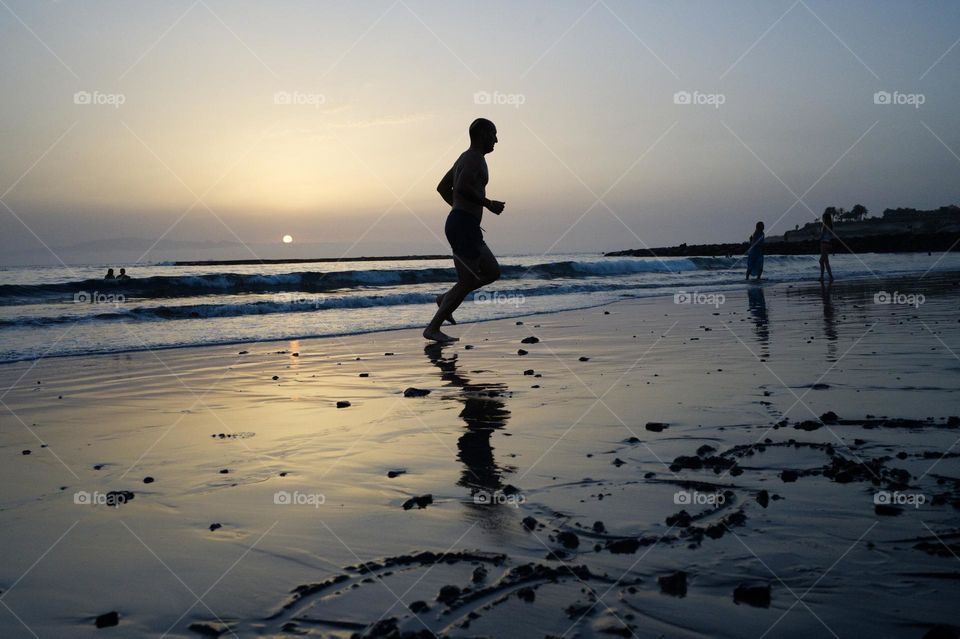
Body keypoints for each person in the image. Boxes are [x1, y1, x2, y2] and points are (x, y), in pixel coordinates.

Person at [423, 118, 506, 343]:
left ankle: (445, 298)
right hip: (463, 225)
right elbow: (460, 187)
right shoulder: (474, 158)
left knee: (492, 272)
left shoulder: (464, 157)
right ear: (482, 134)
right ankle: (433, 328)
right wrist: (487, 204)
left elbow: (443, 188)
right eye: (493, 134)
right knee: (468, 281)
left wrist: (460, 209)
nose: (496, 140)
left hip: (464, 223)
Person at [818, 211, 834, 282]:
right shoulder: (831, 226)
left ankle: (829, 277)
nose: (822, 219)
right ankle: (823, 277)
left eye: (823, 218)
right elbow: (830, 236)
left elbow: (821, 237)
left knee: (825, 262)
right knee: (822, 261)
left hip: (824, 244)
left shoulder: (824, 226)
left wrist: (816, 237)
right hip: (828, 244)